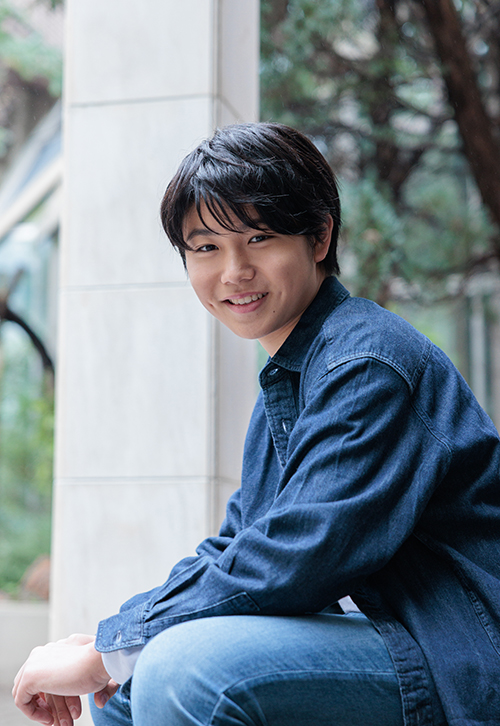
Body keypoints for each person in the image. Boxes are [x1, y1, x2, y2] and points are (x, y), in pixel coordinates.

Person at [12, 122, 500, 726]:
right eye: (206, 248)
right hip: (390, 637)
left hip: (453, 653)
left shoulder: (366, 363)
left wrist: (112, 651)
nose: (234, 271)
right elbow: (237, 544)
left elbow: (299, 555)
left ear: (319, 237)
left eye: (259, 238)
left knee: (183, 670)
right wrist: (119, 642)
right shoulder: (293, 375)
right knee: (134, 688)